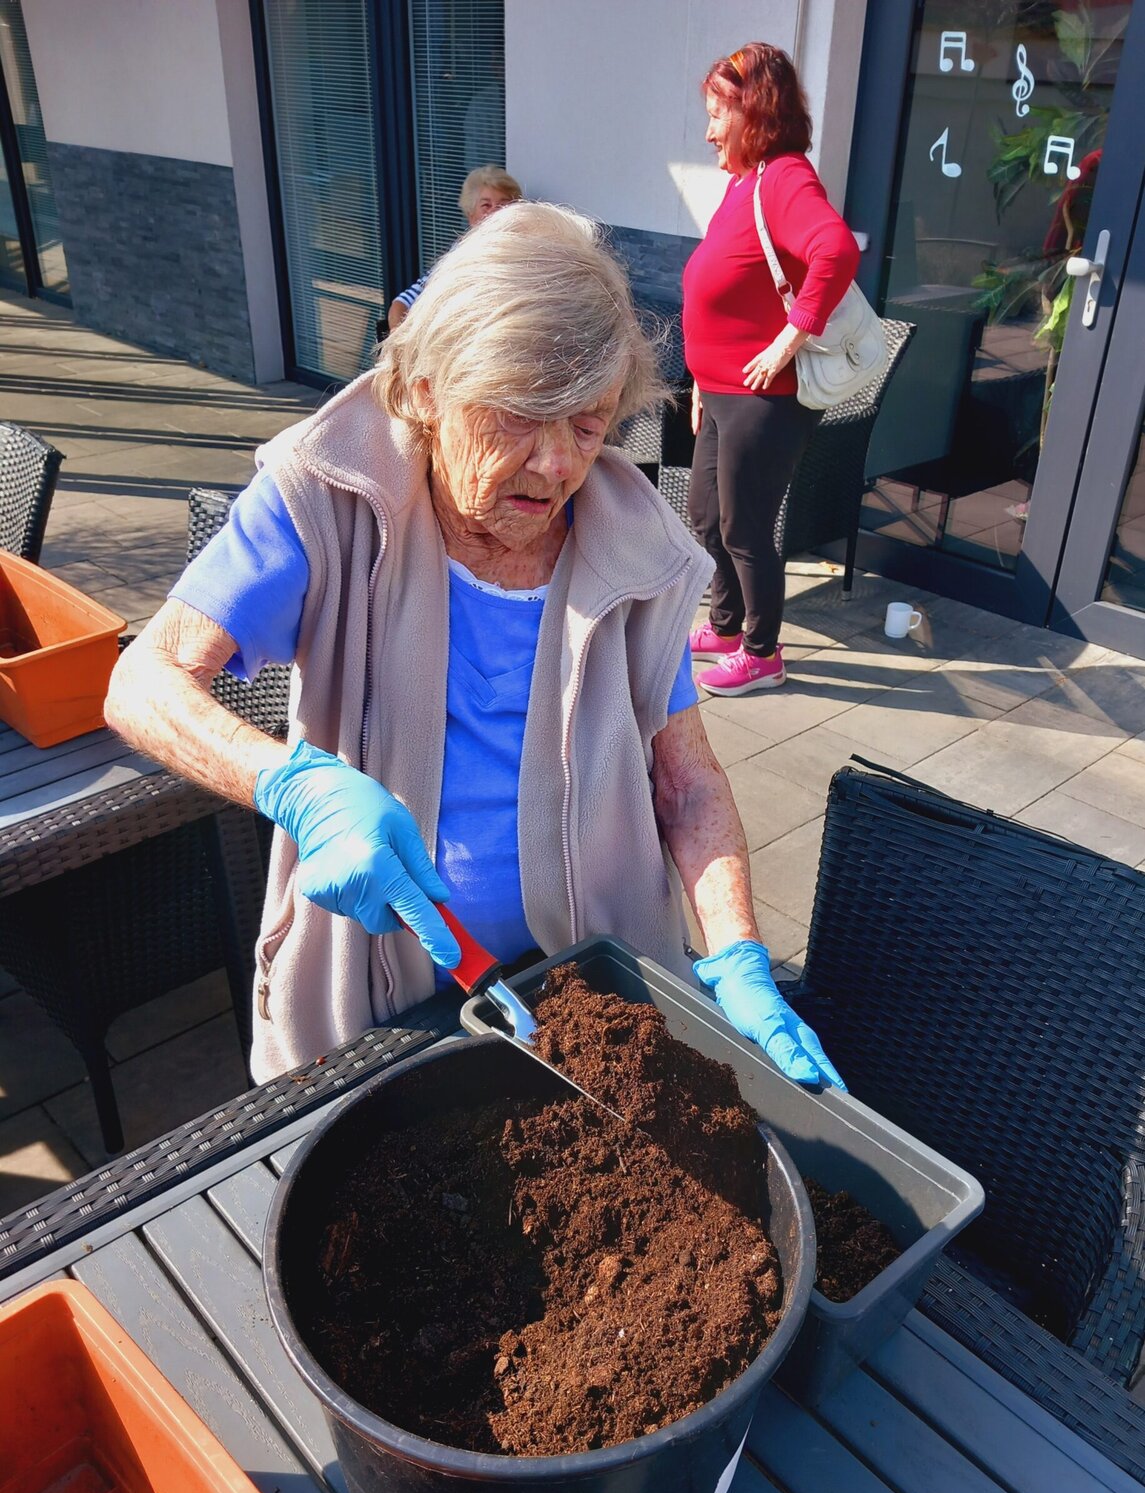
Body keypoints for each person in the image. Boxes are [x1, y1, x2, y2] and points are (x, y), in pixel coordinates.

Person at [104, 202, 843, 1095]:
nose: (556, 465)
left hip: (600, 990)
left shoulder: (636, 543)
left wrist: (737, 953)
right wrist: (289, 786)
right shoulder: (328, 493)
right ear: (425, 391)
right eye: (519, 416)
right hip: (382, 1002)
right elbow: (142, 681)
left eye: (587, 424)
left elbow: (686, 784)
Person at [683, 42, 860, 695]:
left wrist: (788, 340)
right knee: (706, 516)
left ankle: (762, 654)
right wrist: (701, 379)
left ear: (755, 111)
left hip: (763, 398)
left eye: (717, 114)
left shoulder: (784, 177)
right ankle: (726, 626)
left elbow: (835, 250)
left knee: (745, 526)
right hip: (719, 391)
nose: (709, 131)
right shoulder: (745, 182)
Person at [387, 165, 522, 329]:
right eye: (486, 205)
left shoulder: (520, 255)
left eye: (503, 205)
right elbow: (406, 300)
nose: (495, 212)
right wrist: (397, 336)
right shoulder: (460, 251)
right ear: (471, 215)